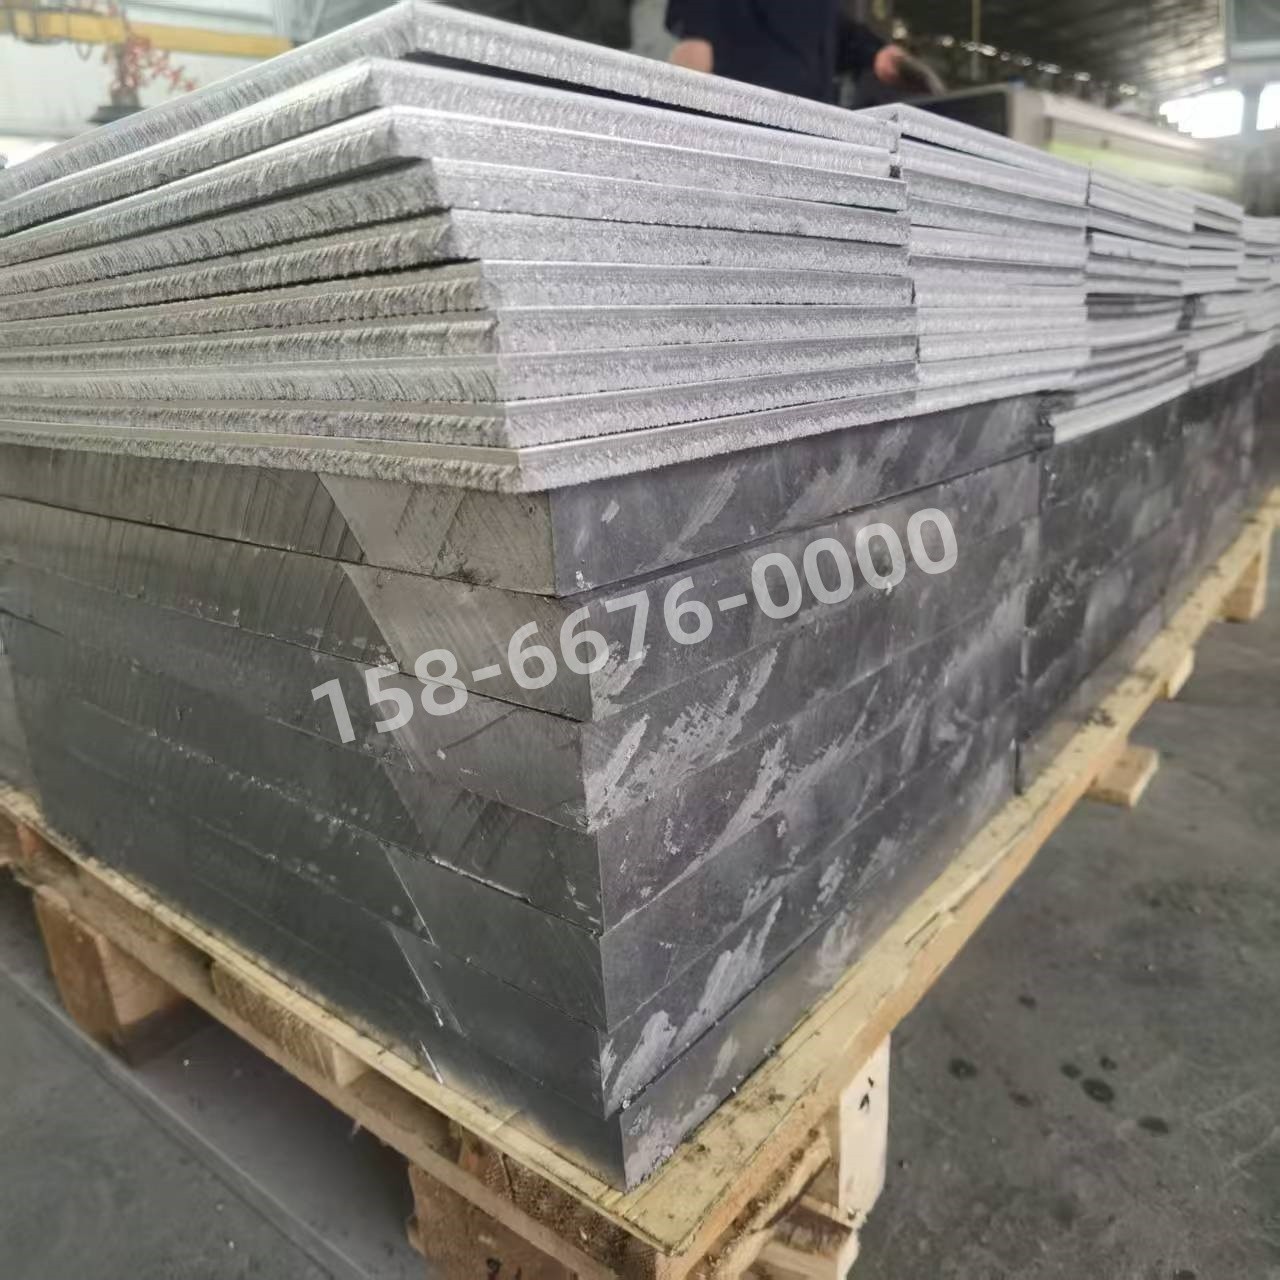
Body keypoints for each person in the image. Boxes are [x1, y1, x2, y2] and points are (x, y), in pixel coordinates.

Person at [665, 0, 937, 105]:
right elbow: (697, 40)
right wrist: (678, 105)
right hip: (745, 122)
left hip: (812, 129)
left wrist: (877, 52)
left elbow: (832, 30)